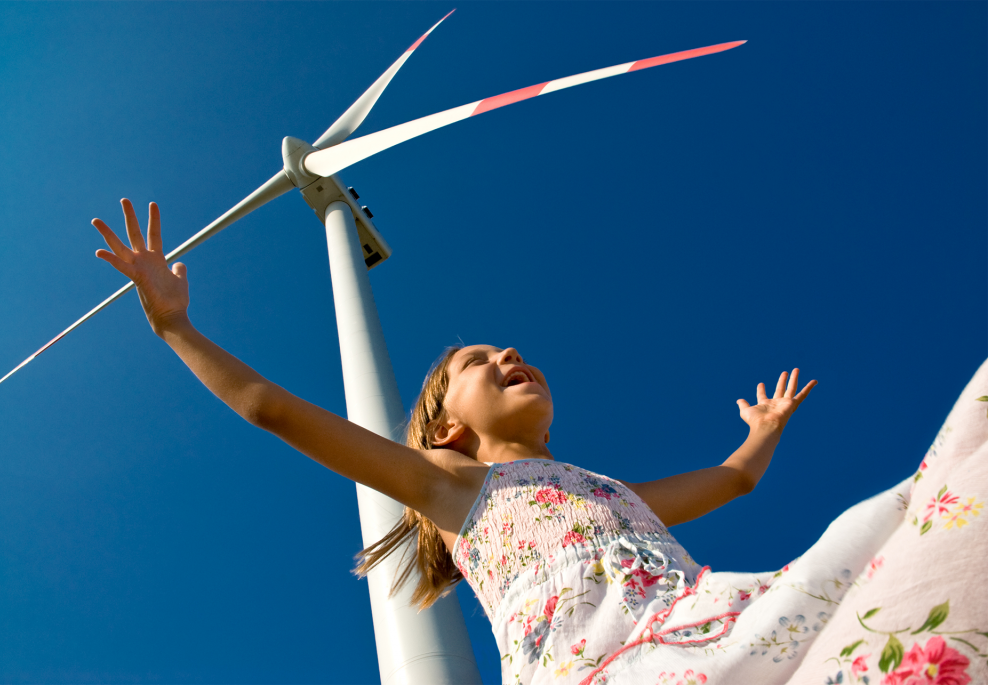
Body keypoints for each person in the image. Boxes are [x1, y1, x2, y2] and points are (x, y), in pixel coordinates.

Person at [93, 200, 987, 685]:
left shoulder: (607, 490)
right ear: (447, 430)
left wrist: (759, 436)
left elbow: (731, 485)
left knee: (920, 522)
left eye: (510, 349)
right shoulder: (457, 493)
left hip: (724, 631)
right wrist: (177, 327)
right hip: (607, 671)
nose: (509, 353)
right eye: (480, 362)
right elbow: (271, 410)